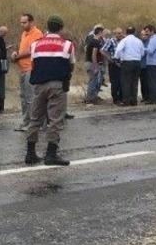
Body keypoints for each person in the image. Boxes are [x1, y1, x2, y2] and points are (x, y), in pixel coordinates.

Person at [24, 14, 74, 167]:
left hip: (38, 85)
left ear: (47, 26)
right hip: (57, 84)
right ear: (60, 28)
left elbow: (34, 63)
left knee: (35, 118)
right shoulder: (67, 45)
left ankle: (30, 153)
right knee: (55, 119)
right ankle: (51, 154)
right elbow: (71, 64)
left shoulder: (35, 44)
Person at [12, 13, 44, 131]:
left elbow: (32, 50)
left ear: (31, 22)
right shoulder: (24, 33)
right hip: (22, 68)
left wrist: (17, 56)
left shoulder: (37, 33)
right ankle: (26, 122)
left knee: (31, 97)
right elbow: (22, 48)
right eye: (21, 22)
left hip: (31, 68)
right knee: (24, 97)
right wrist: (16, 53)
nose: (22, 25)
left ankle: (34, 123)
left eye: (24, 22)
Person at [114, 26, 145, 106]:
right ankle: (134, 101)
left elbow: (118, 50)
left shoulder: (124, 40)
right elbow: (142, 53)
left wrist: (117, 58)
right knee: (134, 82)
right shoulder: (139, 41)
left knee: (126, 82)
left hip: (127, 62)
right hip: (137, 62)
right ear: (134, 32)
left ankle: (126, 101)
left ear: (126, 32)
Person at [83, 26, 106, 104]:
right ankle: (90, 100)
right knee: (93, 81)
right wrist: (95, 67)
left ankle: (91, 98)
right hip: (91, 64)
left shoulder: (93, 41)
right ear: (100, 32)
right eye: (103, 33)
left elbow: (102, 52)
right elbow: (94, 55)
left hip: (88, 63)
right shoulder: (95, 42)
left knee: (94, 81)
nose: (104, 34)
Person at [104, 28, 124, 105]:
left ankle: (121, 98)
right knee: (115, 82)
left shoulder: (123, 41)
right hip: (113, 64)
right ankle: (115, 99)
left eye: (121, 33)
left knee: (121, 81)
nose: (120, 35)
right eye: (118, 33)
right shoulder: (111, 41)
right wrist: (111, 59)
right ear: (114, 34)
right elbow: (103, 50)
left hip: (122, 63)